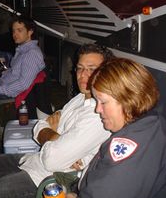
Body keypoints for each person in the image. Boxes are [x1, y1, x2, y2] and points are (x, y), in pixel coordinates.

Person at [0, 43, 113, 198]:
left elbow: (52, 161)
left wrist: (50, 136)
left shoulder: (98, 115)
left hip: (47, 179)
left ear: (106, 73)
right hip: (34, 160)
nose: (83, 75)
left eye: (92, 69)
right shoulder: (79, 99)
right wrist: (54, 137)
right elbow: (41, 124)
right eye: (80, 68)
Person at [66, 58, 166, 198]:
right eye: (96, 101)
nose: (97, 109)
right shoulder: (148, 124)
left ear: (128, 99)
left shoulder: (131, 144)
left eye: (103, 102)